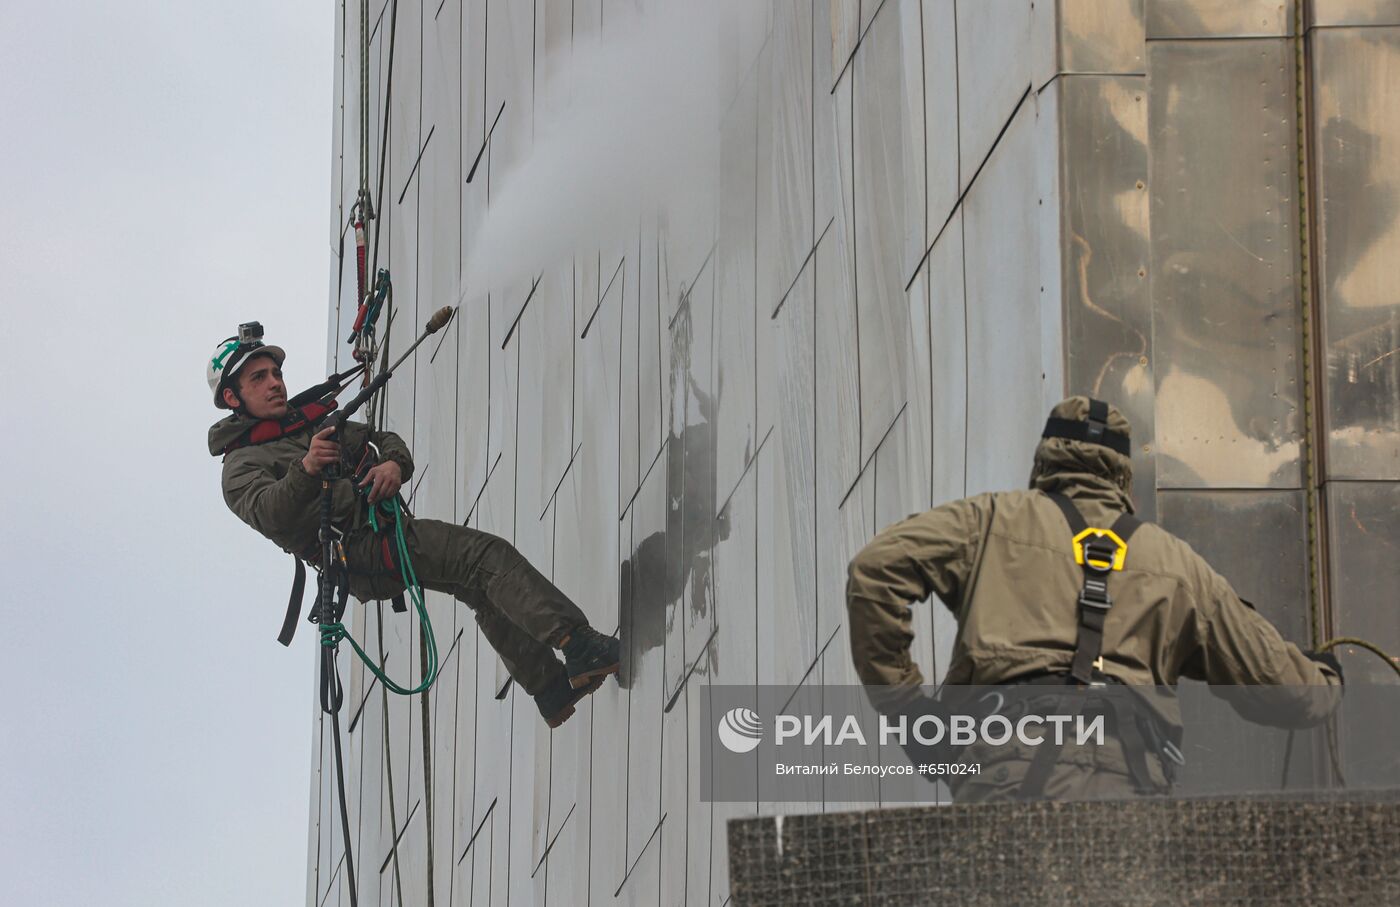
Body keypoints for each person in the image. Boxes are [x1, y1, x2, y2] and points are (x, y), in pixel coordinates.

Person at [845, 395, 1343, 802]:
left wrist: (908, 709)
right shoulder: (1178, 565)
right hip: (1129, 776)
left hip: (1008, 766)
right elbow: (1286, 691)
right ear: (1123, 475)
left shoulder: (990, 521)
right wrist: (1326, 675)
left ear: (1044, 460)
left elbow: (875, 570)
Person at [205, 328, 620, 728]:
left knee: (475, 584)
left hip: (381, 532)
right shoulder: (241, 468)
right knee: (484, 557)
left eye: (275, 373)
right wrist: (307, 468)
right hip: (359, 551)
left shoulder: (305, 426)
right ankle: (577, 643)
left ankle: (550, 688)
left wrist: (393, 465)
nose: (275, 383)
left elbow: (381, 438)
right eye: (258, 378)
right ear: (232, 396)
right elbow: (270, 513)